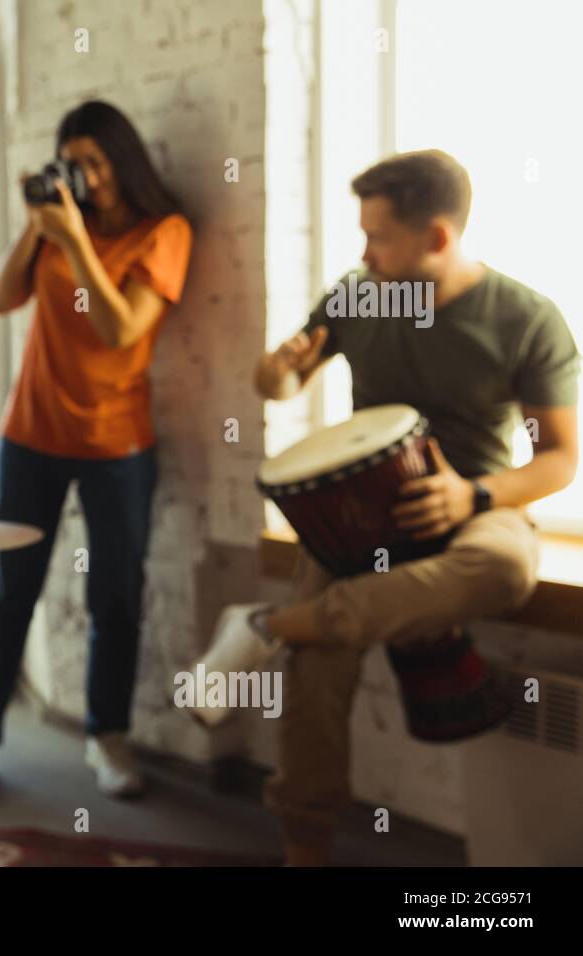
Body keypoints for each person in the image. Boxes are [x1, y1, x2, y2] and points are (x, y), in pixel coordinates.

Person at [201, 149, 579, 865]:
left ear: (437, 237)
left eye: (379, 236)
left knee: (503, 571)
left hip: (474, 498)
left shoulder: (525, 317)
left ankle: (267, 624)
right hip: (357, 508)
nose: (364, 252)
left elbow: (559, 458)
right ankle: (304, 849)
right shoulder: (361, 294)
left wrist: (472, 496)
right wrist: (277, 367)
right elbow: (277, 384)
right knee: (317, 668)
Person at [0, 99, 193, 806]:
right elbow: (0, 298)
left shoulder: (163, 232)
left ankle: (106, 734)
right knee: (10, 592)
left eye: (96, 162)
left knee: (114, 595)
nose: (86, 177)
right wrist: (38, 225)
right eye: (73, 164)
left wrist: (76, 240)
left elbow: (121, 329)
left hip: (118, 443)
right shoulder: (55, 226)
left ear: (123, 160)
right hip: (34, 435)